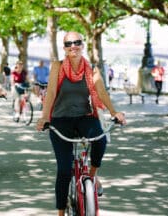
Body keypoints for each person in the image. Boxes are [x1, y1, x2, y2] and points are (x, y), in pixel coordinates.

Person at [35, 32, 126, 216]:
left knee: (100, 140)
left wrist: (114, 112)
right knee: (64, 170)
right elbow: (51, 92)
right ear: (64, 48)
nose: (73, 46)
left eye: (77, 42)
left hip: (84, 116)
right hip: (60, 119)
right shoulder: (57, 66)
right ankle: (61, 212)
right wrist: (45, 117)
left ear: (82, 45)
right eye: (69, 44)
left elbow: (101, 92)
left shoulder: (91, 69)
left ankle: (92, 177)